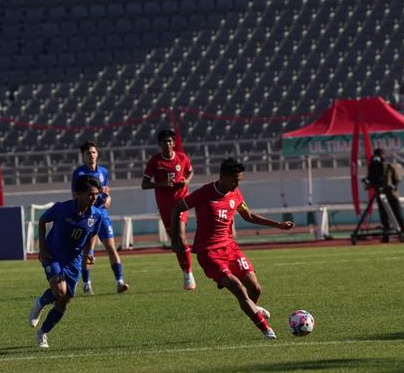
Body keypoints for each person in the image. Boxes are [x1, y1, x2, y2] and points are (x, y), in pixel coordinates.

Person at [170, 158, 295, 340]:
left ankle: (252, 308)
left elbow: (248, 215)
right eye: (234, 180)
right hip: (209, 253)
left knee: (255, 289)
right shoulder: (205, 193)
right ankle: (266, 329)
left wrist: (278, 225)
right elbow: (177, 209)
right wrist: (175, 240)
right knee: (238, 287)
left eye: (239, 180)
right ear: (222, 177)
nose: (236, 184)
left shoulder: (235, 193)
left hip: (230, 248)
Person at [28, 175, 103, 349]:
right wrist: (42, 247)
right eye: (91, 194)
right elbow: (42, 220)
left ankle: (42, 333)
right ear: (78, 194)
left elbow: (92, 235)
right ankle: (40, 303)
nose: (94, 198)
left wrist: (89, 252)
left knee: (64, 302)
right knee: (59, 289)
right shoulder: (62, 208)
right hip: (53, 255)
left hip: (74, 260)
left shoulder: (96, 215)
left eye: (96, 194)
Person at [71, 140, 129, 295]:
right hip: (88, 216)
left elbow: (106, 193)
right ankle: (86, 283)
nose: (91, 155)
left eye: (93, 152)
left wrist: (108, 199)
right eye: (88, 153)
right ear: (83, 156)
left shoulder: (103, 172)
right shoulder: (79, 174)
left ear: (97, 154)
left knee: (111, 246)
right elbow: (75, 195)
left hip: (102, 214)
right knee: (88, 250)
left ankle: (120, 281)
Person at [141, 129, 196, 290]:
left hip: (182, 201)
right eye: (165, 141)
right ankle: (185, 273)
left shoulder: (182, 158)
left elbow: (190, 172)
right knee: (175, 241)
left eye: (170, 141)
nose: (168, 144)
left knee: (180, 235)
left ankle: (189, 274)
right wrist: (161, 184)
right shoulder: (155, 162)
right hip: (165, 206)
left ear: (174, 143)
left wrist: (185, 181)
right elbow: (144, 184)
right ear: (160, 144)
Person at [367, 148, 404, 243]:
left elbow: (398, 178)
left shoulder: (389, 166)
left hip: (391, 195)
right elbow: (370, 178)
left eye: (379, 155)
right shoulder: (373, 166)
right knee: (384, 217)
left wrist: (393, 186)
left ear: (383, 155)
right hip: (380, 194)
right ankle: (386, 236)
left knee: (398, 215)